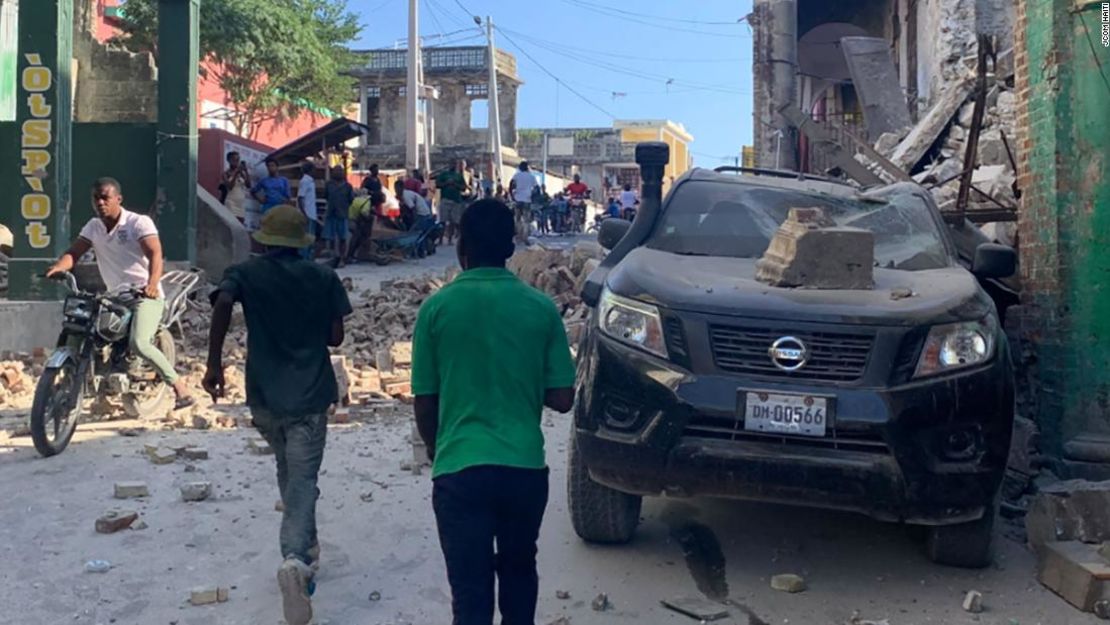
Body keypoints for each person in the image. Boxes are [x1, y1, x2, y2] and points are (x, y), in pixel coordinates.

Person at [412, 199, 575, 625]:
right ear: (510, 247)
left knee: (470, 592)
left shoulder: (436, 309)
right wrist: (520, 377)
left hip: (459, 468)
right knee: (520, 573)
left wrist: (436, 450)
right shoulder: (540, 308)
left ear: (462, 245)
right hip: (523, 468)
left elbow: (425, 401)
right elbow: (562, 398)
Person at [202, 204, 352, 625]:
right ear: (302, 241)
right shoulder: (322, 276)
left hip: (264, 395)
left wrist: (214, 364)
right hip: (309, 394)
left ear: (264, 239)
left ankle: (309, 543)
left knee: (288, 470)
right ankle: (295, 559)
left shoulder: (246, 274)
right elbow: (336, 338)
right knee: (303, 478)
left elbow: (223, 302)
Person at [45, 178, 195, 410]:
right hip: (114, 295)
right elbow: (74, 253)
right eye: (96, 198)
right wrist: (59, 267)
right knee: (79, 330)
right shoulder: (93, 226)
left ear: (118, 199)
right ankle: (69, 383)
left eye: (105, 197)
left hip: (144, 295)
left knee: (138, 342)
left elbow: (155, 253)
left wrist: (152, 284)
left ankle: (179, 388)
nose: (100, 202)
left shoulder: (137, 223)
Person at [323, 166, 354, 267]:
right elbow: (326, 196)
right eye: (336, 171)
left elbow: (351, 199)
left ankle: (341, 259)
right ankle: (333, 258)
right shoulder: (329, 185)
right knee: (330, 237)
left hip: (343, 214)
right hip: (331, 214)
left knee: (343, 238)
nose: (338, 173)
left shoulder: (348, 186)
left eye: (340, 171)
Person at [437, 159, 470, 246]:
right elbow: (438, 184)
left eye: (454, 164)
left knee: (453, 221)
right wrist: (446, 183)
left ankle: (450, 239)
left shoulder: (459, 176)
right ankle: (440, 240)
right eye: (451, 164)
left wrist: (455, 184)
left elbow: (464, 187)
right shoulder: (444, 174)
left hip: (456, 200)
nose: (453, 165)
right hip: (445, 200)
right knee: (443, 221)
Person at [509, 162, 538, 245]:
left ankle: (518, 237)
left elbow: (511, 185)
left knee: (517, 219)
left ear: (520, 168)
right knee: (526, 220)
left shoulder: (516, 175)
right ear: (527, 168)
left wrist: (512, 195)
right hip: (527, 200)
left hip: (518, 200)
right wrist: (532, 197)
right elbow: (536, 188)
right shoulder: (532, 176)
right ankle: (525, 237)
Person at [222, 152, 252, 224]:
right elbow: (230, 187)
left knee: (240, 225)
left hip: (240, 204)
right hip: (231, 203)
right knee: (231, 225)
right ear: (228, 160)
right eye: (234, 159)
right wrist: (236, 173)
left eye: (238, 159)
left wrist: (245, 171)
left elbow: (248, 185)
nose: (236, 162)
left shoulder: (241, 173)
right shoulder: (225, 173)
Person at [297, 162, 318, 260]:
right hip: (307, 214)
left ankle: (308, 258)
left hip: (312, 214)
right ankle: (304, 259)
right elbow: (300, 198)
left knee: (311, 238)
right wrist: (304, 213)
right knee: (306, 238)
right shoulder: (305, 181)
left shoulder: (311, 181)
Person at [347, 188, 374, 264]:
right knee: (356, 239)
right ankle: (350, 256)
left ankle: (351, 255)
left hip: (348, 219)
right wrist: (370, 217)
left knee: (355, 238)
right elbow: (364, 212)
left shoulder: (356, 199)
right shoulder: (367, 202)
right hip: (354, 221)